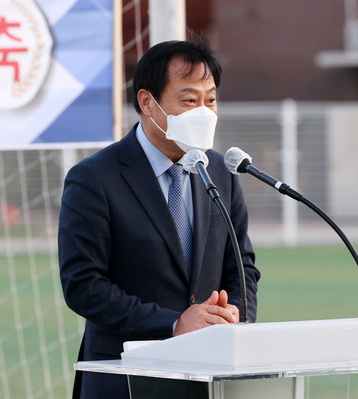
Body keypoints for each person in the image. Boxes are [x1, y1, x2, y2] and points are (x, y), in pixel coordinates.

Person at [58, 39, 261, 398]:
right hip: (126, 375)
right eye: (189, 100)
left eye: (210, 99)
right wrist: (174, 323)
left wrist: (234, 317)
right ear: (147, 102)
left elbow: (241, 265)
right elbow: (83, 284)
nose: (203, 111)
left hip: (212, 373)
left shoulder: (221, 171)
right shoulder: (94, 177)